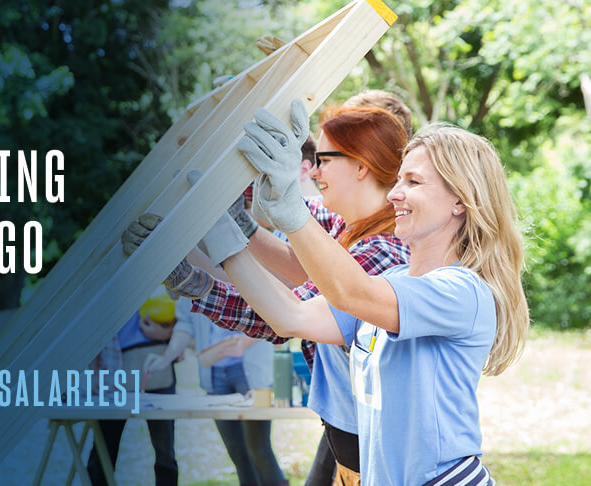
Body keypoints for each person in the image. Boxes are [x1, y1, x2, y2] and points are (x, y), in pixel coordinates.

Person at [224, 104, 528, 484]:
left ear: (459, 201)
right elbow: (290, 316)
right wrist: (224, 239)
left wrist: (290, 207)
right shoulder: (396, 279)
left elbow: (351, 292)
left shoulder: (462, 292)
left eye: (414, 182)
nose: (396, 194)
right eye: (399, 180)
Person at [123, 105, 411, 486]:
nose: (315, 171)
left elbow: (286, 314)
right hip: (354, 447)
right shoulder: (350, 229)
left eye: (323, 160)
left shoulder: (382, 254)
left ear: (361, 167)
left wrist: (195, 280)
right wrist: (242, 220)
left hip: (377, 458)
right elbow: (298, 266)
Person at [144, 298, 287, 486]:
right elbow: (185, 324)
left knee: (259, 450)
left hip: (251, 373)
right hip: (214, 375)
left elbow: (272, 316)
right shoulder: (190, 277)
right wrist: (165, 358)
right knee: (236, 452)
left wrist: (244, 342)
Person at [86, 308, 179, 486]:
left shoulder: (158, 282)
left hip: (156, 368)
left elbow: (184, 321)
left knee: (165, 451)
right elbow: (91, 328)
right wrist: (94, 371)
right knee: (104, 449)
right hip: (112, 370)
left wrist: (167, 332)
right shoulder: (104, 289)